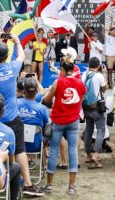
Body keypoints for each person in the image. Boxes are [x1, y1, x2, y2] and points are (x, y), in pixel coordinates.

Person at [0, 32, 43, 197]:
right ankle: (28, 184)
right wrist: (16, 41)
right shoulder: (11, 68)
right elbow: (22, 55)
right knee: (20, 150)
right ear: (7, 56)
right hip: (10, 117)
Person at [42, 58, 86, 195]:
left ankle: (49, 184)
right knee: (72, 151)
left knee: (54, 150)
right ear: (73, 70)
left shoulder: (58, 82)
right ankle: (72, 186)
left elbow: (47, 100)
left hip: (58, 120)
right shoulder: (80, 83)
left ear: (62, 70)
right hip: (73, 120)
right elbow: (81, 99)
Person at [82, 57, 107, 168]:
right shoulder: (99, 75)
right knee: (101, 130)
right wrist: (104, 74)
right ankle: (96, 154)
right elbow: (104, 88)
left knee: (88, 130)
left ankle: (88, 154)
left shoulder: (84, 74)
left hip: (86, 107)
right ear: (98, 65)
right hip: (96, 107)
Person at [17, 77, 49, 154]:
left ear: (24, 91)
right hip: (35, 145)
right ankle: (44, 163)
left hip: (17, 144)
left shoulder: (15, 104)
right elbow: (47, 129)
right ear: (36, 91)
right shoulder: (42, 109)